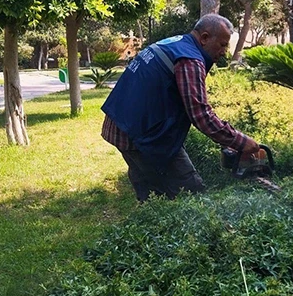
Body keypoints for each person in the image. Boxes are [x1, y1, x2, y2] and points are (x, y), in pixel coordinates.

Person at [100, 14, 262, 202]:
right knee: (192, 193)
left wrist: (226, 140)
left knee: (148, 187)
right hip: (136, 133)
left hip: (123, 123)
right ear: (205, 38)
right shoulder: (190, 60)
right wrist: (241, 142)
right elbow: (201, 115)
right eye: (223, 45)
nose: (225, 51)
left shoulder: (177, 43)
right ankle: (179, 223)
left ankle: (152, 218)